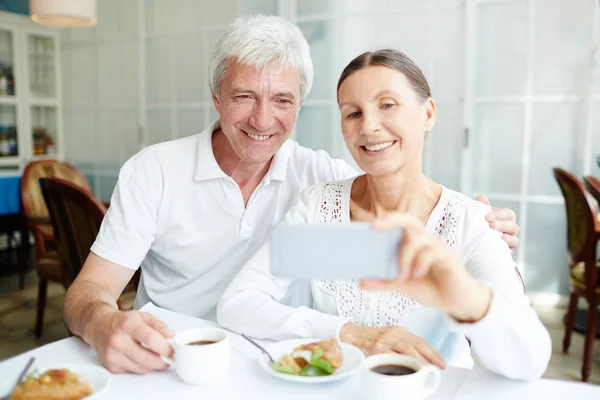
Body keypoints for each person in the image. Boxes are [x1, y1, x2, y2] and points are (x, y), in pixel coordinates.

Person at [63, 16, 520, 375]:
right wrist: (101, 323)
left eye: (282, 100)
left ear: (300, 104)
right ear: (216, 96)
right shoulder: (155, 171)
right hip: (173, 357)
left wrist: (474, 227)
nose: (263, 120)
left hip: (281, 365)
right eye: (244, 96)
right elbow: (90, 291)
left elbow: (395, 190)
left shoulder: (319, 181)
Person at [217, 48, 551, 381]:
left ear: (428, 114)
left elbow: (529, 362)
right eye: (353, 113)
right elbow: (238, 303)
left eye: (387, 105)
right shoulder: (321, 210)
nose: (369, 126)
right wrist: (348, 333)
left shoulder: (469, 224)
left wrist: (467, 299)